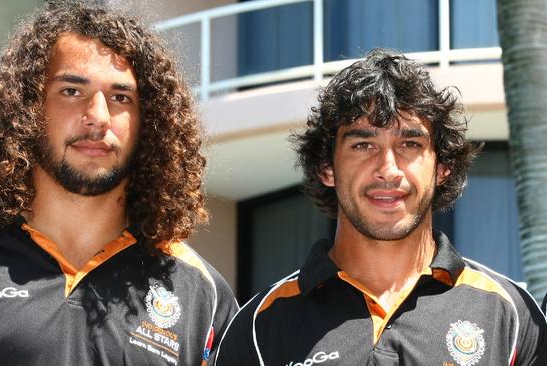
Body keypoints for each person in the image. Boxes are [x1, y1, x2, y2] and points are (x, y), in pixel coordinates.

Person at [0, 1, 238, 365]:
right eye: (71, 91)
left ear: (149, 123)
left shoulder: (202, 293)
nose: (98, 117)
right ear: (27, 108)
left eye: (121, 97)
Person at [215, 49, 547, 365]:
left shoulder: (513, 317)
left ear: (442, 168)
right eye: (363, 144)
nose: (388, 169)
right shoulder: (259, 326)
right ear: (327, 168)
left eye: (410, 144)